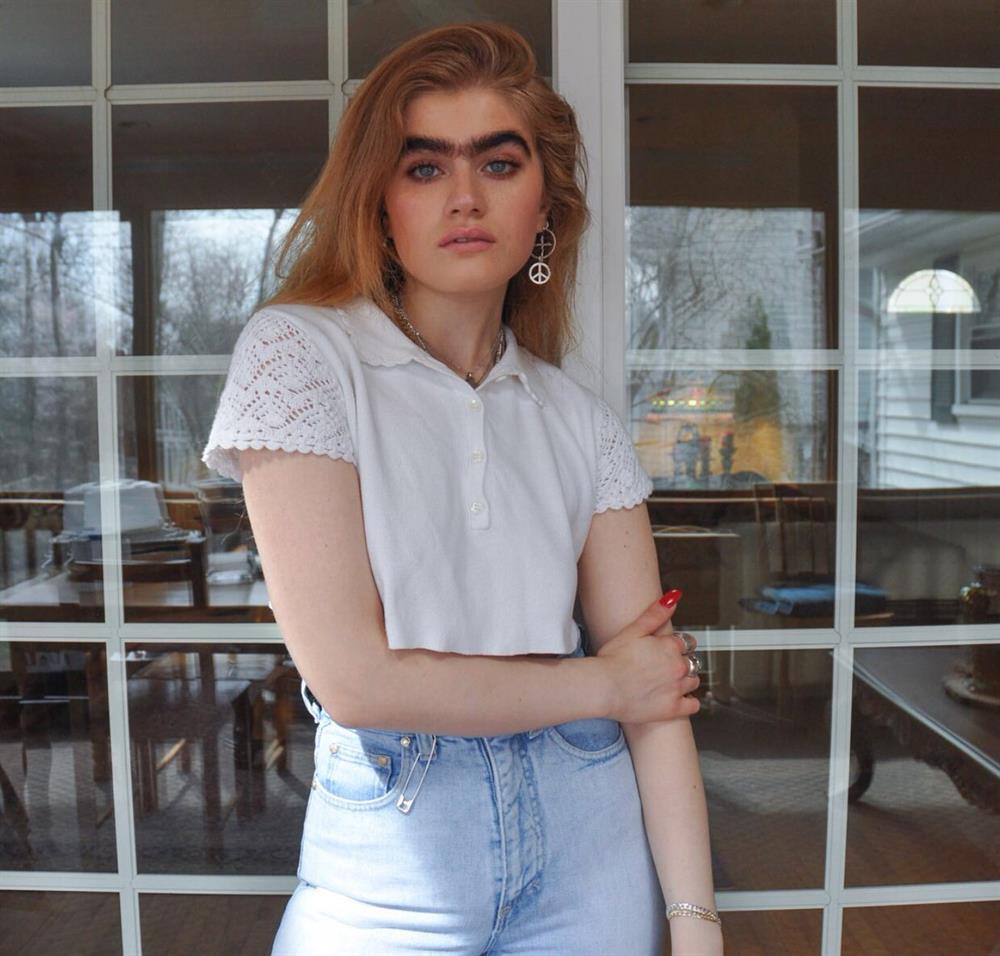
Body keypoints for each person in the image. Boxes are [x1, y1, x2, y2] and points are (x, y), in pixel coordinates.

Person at [201, 21, 722, 956]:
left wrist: (696, 922)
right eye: (425, 166)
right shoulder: (300, 356)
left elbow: (657, 708)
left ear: (544, 204)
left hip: (591, 835)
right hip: (392, 849)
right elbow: (355, 682)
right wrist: (606, 680)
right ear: (379, 203)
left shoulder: (580, 421)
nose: (465, 196)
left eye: (499, 162)